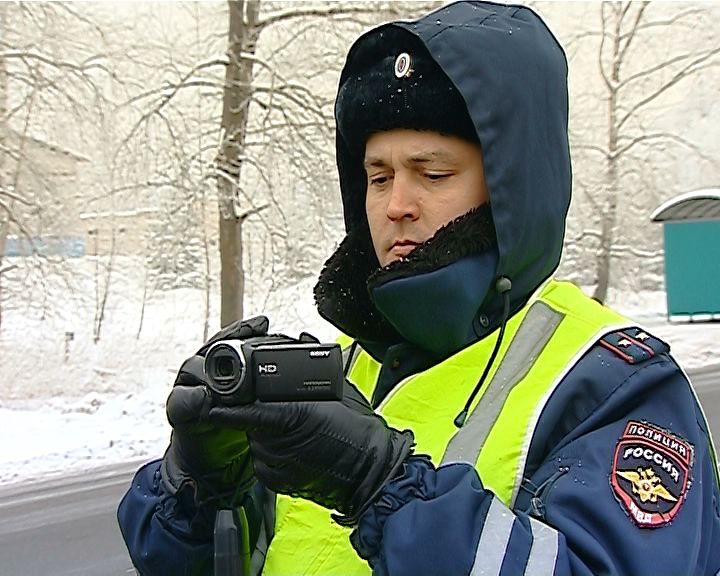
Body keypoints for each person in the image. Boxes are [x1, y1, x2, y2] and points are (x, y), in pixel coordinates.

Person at [118, 1, 720, 574]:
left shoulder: (611, 383)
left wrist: (382, 484)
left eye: (433, 174)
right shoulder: (338, 369)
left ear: (514, 194)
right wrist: (202, 487)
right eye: (377, 178)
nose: (396, 205)